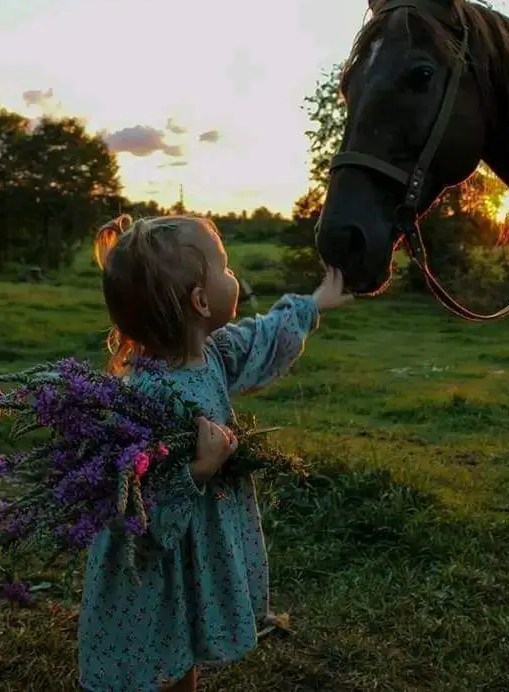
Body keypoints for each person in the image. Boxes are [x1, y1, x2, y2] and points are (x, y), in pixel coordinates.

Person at [78, 213, 352, 692]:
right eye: (224, 268)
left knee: (184, 644)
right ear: (201, 302)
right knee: (157, 644)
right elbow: (141, 516)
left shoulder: (213, 355)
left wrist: (313, 304)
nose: (235, 278)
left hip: (196, 547)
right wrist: (198, 471)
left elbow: (260, 339)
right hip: (158, 564)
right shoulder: (148, 398)